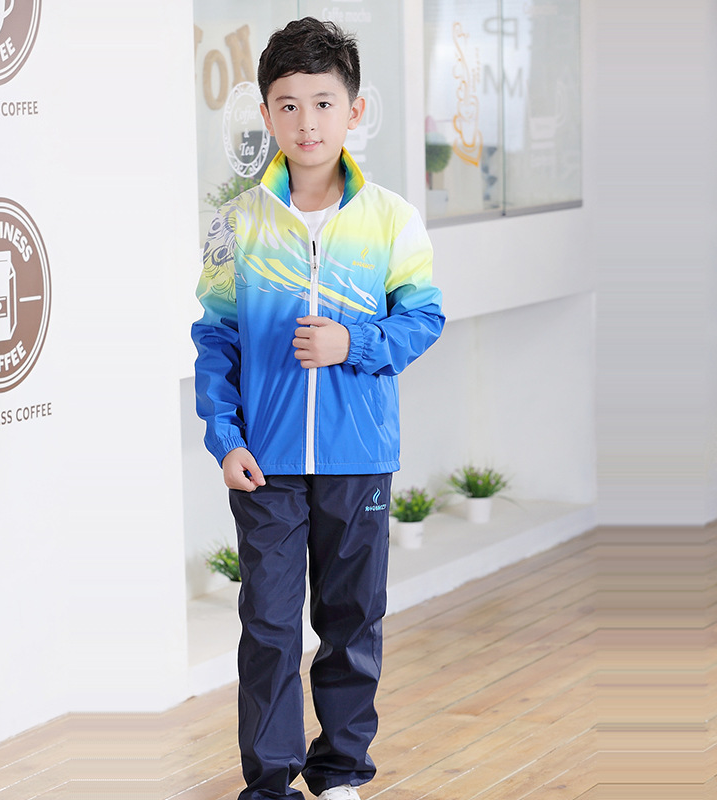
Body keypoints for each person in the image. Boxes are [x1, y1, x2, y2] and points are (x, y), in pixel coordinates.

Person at [191, 17, 445, 800]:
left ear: (354, 111)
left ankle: (339, 775)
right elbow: (215, 337)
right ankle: (270, 782)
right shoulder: (236, 223)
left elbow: (424, 318)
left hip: (357, 454)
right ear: (267, 114)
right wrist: (225, 436)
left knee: (350, 621)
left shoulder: (392, 219)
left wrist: (352, 342)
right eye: (289, 105)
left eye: (324, 103)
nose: (307, 122)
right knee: (269, 627)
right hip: (265, 460)